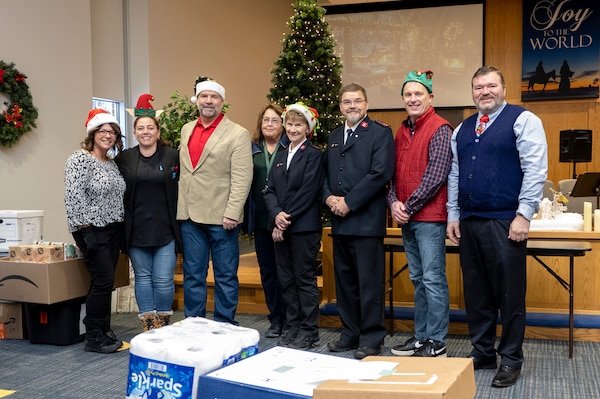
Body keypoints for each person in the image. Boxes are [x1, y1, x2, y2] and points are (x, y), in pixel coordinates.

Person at [446, 66, 548, 388]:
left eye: (491, 86)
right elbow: (454, 176)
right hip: (470, 221)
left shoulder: (523, 120)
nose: (484, 92)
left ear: (503, 88)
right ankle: (483, 352)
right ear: (473, 92)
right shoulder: (461, 130)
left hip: (507, 221)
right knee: (477, 293)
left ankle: (511, 359)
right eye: (478, 87)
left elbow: (535, 169)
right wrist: (452, 214)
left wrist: (524, 214)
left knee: (509, 294)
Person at [323, 83, 395, 359]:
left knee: (368, 284)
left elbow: (380, 174)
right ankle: (350, 333)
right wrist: (329, 197)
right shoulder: (333, 136)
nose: (352, 106)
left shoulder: (379, 133)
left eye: (357, 101)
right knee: (345, 284)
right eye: (347, 102)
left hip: (365, 222)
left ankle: (371, 337)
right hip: (339, 224)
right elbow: (326, 175)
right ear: (340, 106)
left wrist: (349, 202)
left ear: (366, 104)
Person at [387, 70, 452, 358]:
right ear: (403, 99)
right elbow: (391, 174)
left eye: (418, 94)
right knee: (418, 279)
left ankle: (436, 341)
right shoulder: (401, 131)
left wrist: (407, 207)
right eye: (408, 94)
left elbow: (437, 174)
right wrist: (392, 203)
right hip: (406, 218)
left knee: (433, 279)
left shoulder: (440, 127)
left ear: (430, 97)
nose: (413, 99)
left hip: (429, 219)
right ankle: (421, 336)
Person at [177, 78, 253, 325]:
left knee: (225, 276)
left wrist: (233, 212)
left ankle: (224, 326)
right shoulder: (187, 129)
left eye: (214, 97)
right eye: (204, 96)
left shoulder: (237, 134)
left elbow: (242, 177)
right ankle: (194, 325)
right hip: (189, 216)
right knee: (193, 275)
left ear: (222, 102)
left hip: (222, 218)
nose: (208, 101)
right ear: (197, 100)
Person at [115, 94, 182, 331]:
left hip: (166, 229)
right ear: (134, 132)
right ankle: (148, 324)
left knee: (163, 279)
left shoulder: (173, 155)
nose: (145, 132)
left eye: (150, 127)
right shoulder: (124, 158)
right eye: (140, 128)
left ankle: (163, 322)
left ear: (157, 130)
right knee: (143, 278)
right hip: (136, 230)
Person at [64, 109, 126, 353]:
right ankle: (93, 337)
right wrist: (85, 230)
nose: (108, 135)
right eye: (103, 130)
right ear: (93, 132)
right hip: (91, 229)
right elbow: (73, 197)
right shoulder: (79, 159)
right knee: (103, 280)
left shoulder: (110, 163)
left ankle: (103, 330)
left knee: (106, 282)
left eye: (112, 132)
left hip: (112, 228)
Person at [263, 102, 324, 350]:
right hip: (281, 226)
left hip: (303, 228)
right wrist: (276, 214)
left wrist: (284, 219)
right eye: (289, 124)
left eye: (298, 124)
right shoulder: (280, 153)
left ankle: (310, 331)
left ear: (307, 128)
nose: (293, 128)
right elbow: (268, 190)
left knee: (303, 280)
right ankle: (293, 326)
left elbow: (308, 192)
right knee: (285, 280)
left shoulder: (314, 155)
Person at [249, 104, 287, 338]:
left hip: (284, 218)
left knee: (285, 272)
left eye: (274, 120)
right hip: (261, 220)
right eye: (266, 121)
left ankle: (290, 317)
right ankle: (275, 318)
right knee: (268, 273)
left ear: (282, 124)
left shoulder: (288, 148)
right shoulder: (251, 150)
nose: (269, 125)